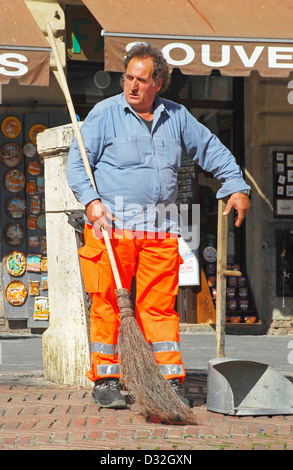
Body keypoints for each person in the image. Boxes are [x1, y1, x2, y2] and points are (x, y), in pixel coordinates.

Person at [66, 42, 250, 409]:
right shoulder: (104, 115)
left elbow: (211, 150)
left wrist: (236, 186)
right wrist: (92, 204)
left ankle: (169, 381)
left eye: (141, 80)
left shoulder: (177, 117)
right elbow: (77, 166)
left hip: (159, 231)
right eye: (128, 78)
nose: (132, 86)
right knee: (107, 304)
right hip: (111, 228)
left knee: (159, 308)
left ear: (159, 83)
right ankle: (106, 379)